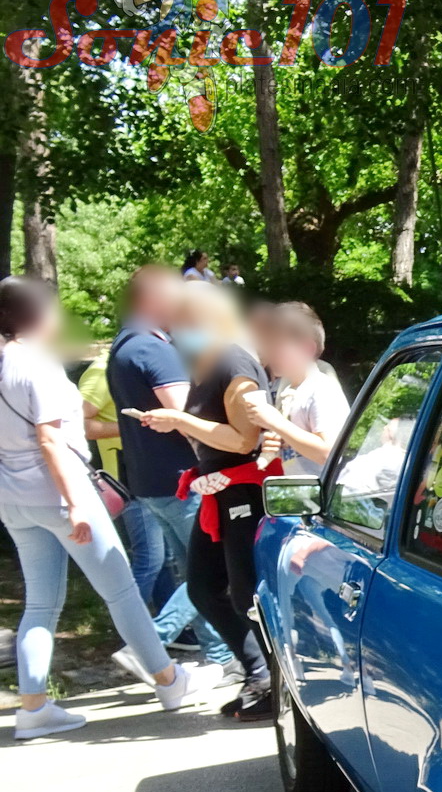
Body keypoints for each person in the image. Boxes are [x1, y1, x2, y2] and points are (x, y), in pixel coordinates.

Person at [0, 277, 209, 738]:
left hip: (14, 500)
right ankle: (169, 681)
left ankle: (33, 707)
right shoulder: (39, 366)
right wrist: (76, 503)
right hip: (59, 494)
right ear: (39, 314)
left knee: (40, 603)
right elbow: (51, 440)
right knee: (121, 591)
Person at [128, 281, 276, 722]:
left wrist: (179, 420)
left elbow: (244, 437)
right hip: (219, 489)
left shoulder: (233, 360)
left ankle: (269, 680)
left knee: (244, 590)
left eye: (182, 323)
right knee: (204, 587)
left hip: (244, 489)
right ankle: (259, 673)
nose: (175, 332)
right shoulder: (210, 362)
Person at [106, 266, 235, 679]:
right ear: (153, 299)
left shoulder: (123, 346)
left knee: (191, 567)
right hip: (185, 477)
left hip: (150, 480)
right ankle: (150, 643)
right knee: (206, 573)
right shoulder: (153, 350)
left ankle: (219, 658)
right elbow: (185, 415)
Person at [247, 302, 348, 474]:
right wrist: (278, 441)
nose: (269, 352)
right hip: (303, 497)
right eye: (267, 345)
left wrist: (276, 423)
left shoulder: (321, 389)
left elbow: (330, 453)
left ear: (307, 348)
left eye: (276, 345)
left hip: (327, 497)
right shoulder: (290, 391)